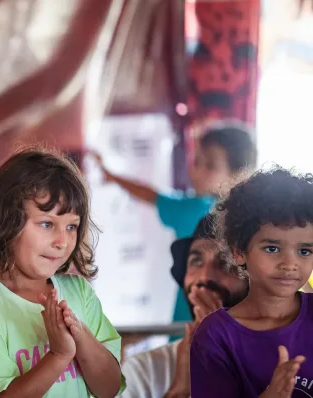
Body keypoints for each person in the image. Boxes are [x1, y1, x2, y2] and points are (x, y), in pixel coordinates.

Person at [0, 147, 125, 397]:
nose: (62, 242)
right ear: (7, 221)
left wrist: (80, 336)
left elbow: (109, 388)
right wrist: (59, 355)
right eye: (47, 224)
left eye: (72, 227)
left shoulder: (79, 293)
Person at [92, 122, 256, 325]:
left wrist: (112, 176)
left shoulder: (199, 210)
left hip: (187, 320)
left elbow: (152, 196)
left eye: (210, 165)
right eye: (197, 161)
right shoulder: (248, 219)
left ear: (238, 175)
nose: (196, 171)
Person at [190, 167, 313, 398]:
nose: (290, 263)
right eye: (272, 248)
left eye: (304, 251)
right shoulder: (216, 337)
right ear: (239, 252)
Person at [120, 214, 249, 398]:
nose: (205, 276)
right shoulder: (145, 370)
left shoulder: (283, 363)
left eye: (226, 264)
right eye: (196, 261)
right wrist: (181, 389)